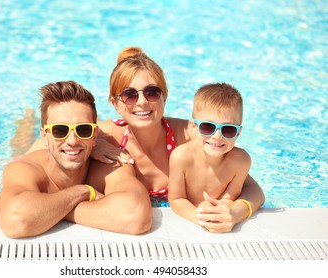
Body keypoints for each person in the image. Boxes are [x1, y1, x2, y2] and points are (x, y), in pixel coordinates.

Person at [91, 46, 265, 233]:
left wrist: (235, 213)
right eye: (129, 95)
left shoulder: (190, 135)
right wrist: (92, 145)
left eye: (152, 92)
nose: (142, 102)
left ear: (164, 97)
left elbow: (252, 189)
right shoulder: (106, 136)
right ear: (116, 104)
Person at [0, 81, 152, 238]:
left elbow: (136, 216)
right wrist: (83, 192)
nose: (72, 140)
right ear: (44, 136)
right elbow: (16, 221)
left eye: (83, 129)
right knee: (20, 142)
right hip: (26, 154)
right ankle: (27, 119)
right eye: (59, 130)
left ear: (95, 134)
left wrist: (50, 211)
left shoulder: (110, 164)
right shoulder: (24, 168)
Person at [168, 83, 252, 231]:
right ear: (193, 128)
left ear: (238, 133)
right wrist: (201, 217)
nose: (217, 136)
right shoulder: (181, 157)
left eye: (228, 129)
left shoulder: (241, 161)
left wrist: (221, 212)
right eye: (207, 127)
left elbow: (229, 198)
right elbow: (176, 199)